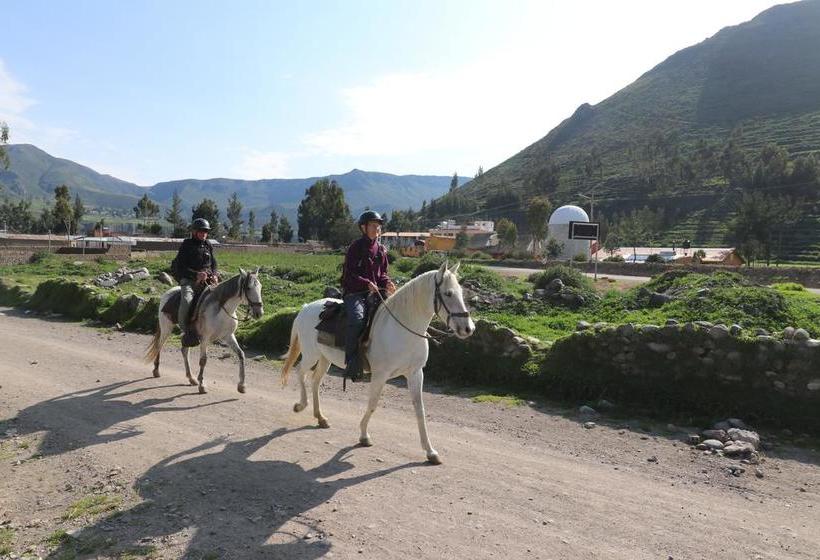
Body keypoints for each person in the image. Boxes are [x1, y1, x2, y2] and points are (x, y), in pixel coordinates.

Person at [341, 210, 396, 381]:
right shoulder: (355, 247)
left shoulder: (381, 250)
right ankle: (351, 361)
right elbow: (349, 274)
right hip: (355, 293)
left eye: (378, 226)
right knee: (357, 320)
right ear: (363, 228)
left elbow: (383, 273)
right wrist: (366, 283)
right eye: (373, 226)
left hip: (376, 292)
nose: (376, 229)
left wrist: (387, 282)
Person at [174, 218, 219, 346]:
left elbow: (214, 263)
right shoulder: (186, 245)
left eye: (205, 231)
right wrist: (196, 274)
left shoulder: (208, 245)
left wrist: (215, 274)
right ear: (194, 232)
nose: (203, 233)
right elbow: (180, 267)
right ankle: (185, 330)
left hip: (208, 280)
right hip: (188, 280)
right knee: (187, 300)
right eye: (201, 231)